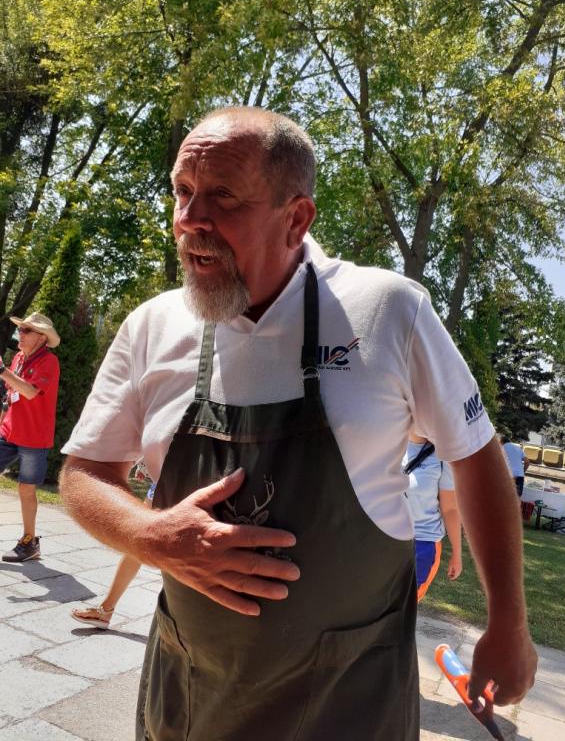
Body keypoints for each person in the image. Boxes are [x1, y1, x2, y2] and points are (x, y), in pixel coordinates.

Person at [60, 106, 537, 740]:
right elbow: (85, 473)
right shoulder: (152, 326)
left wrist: (509, 622)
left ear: (297, 218)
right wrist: (150, 535)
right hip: (194, 696)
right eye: (182, 191)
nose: (191, 219)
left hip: (351, 699)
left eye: (223, 196)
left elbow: (476, 454)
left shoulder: (389, 310)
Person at [1, 312, 60, 563]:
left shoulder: (49, 362)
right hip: (8, 432)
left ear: (42, 338)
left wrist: (2, 370)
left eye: (26, 331)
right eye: (20, 329)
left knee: (26, 489)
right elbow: (9, 396)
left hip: (34, 438)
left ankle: (30, 542)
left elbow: (30, 392)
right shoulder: (17, 358)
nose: (20, 334)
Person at [71, 465, 156, 630]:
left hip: (186, 481)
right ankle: (106, 609)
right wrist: (147, 463)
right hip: (167, 479)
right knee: (136, 543)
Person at [404, 433, 462, 601]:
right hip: (386, 539)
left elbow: (450, 509)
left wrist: (457, 553)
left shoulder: (442, 458)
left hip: (423, 544)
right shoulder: (389, 444)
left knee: (407, 605)